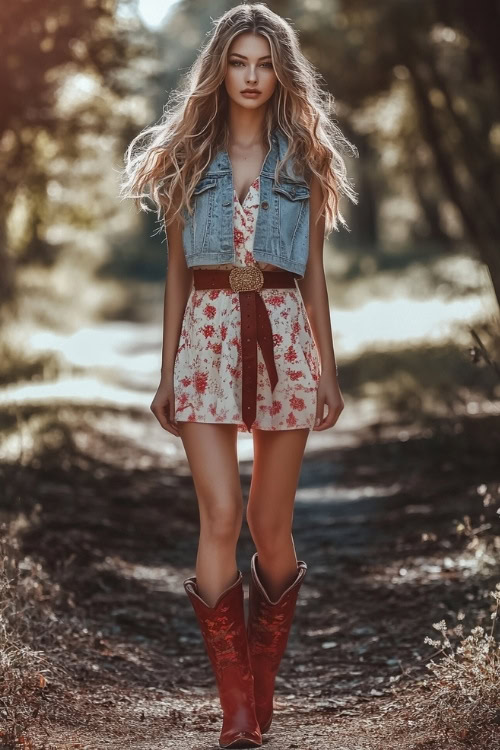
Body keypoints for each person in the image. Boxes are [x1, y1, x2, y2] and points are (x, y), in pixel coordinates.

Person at [121, 4, 357, 747]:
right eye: (238, 62)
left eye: (264, 64)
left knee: (269, 527)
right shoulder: (188, 159)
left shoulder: (306, 160)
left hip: (284, 340)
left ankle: (263, 679)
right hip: (206, 340)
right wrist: (167, 374)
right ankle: (239, 711)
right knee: (220, 518)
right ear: (219, 69)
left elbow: (313, 274)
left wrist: (327, 369)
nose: (252, 77)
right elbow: (174, 277)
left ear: (279, 71)